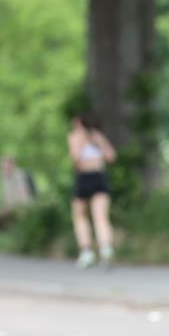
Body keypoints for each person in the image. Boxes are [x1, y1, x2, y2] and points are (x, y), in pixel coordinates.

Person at [68, 113, 116, 268]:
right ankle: (106, 249)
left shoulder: (75, 136)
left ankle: (86, 251)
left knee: (80, 216)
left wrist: (81, 146)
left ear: (79, 123)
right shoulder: (97, 136)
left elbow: (76, 159)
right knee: (101, 216)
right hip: (100, 176)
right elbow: (111, 156)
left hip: (84, 177)